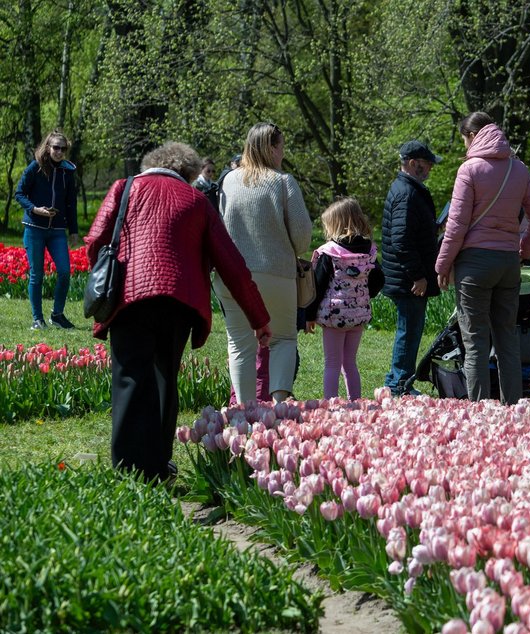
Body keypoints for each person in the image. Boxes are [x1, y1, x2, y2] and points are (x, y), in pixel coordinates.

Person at [85, 141, 271, 482]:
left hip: (129, 297)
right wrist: (259, 318)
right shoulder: (197, 200)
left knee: (128, 375)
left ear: (150, 164)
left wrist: (104, 276)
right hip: (178, 302)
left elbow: (96, 239)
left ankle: (127, 466)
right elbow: (231, 264)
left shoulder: (123, 188)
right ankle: (157, 464)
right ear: (188, 172)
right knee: (163, 377)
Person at [436, 112, 530, 405]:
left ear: (473, 136)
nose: (464, 147)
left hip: (474, 265)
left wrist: (442, 264)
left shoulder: (469, 170)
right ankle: (513, 406)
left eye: (464, 139)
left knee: (475, 343)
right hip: (508, 263)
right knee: (507, 341)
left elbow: (456, 225)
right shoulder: (518, 169)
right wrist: (523, 252)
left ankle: (480, 412)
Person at [215, 122, 312, 403]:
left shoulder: (228, 180)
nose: (283, 154)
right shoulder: (283, 182)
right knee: (282, 339)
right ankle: (280, 404)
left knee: (240, 344)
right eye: (281, 147)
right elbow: (303, 236)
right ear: (271, 148)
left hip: (233, 275)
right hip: (275, 273)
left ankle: (244, 412)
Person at [304, 197, 383, 400]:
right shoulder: (370, 251)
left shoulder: (329, 253)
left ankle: (331, 405)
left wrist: (309, 315)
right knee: (350, 362)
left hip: (334, 318)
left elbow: (317, 287)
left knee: (332, 363)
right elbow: (379, 279)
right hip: (358, 315)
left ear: (335, 224)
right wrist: (364, 295)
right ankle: (355, 402)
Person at [380, 140, 441, 396]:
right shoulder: (407, 193)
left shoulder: (408, 189)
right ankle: (400, 384)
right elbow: (401, 240)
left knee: (410, 328)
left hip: (404, 274)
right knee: (409, 330)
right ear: (414, 164)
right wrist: (418, 275)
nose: (430, 170)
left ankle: (397, 379)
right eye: (427, 164)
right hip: (407, 278)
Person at [15, 130, 80, 330]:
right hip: (35, 228)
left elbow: (70, 203)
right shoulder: (35, 167)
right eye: (56, 147)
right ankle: (37, 319)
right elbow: (20, 193)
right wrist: (35, 209)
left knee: (64, 271)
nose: (59, 152)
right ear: (48, 147)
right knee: (37, 275)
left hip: (57, 230)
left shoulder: (67, 171)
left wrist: (74, 231)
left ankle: (57, 315)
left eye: (63, 148)